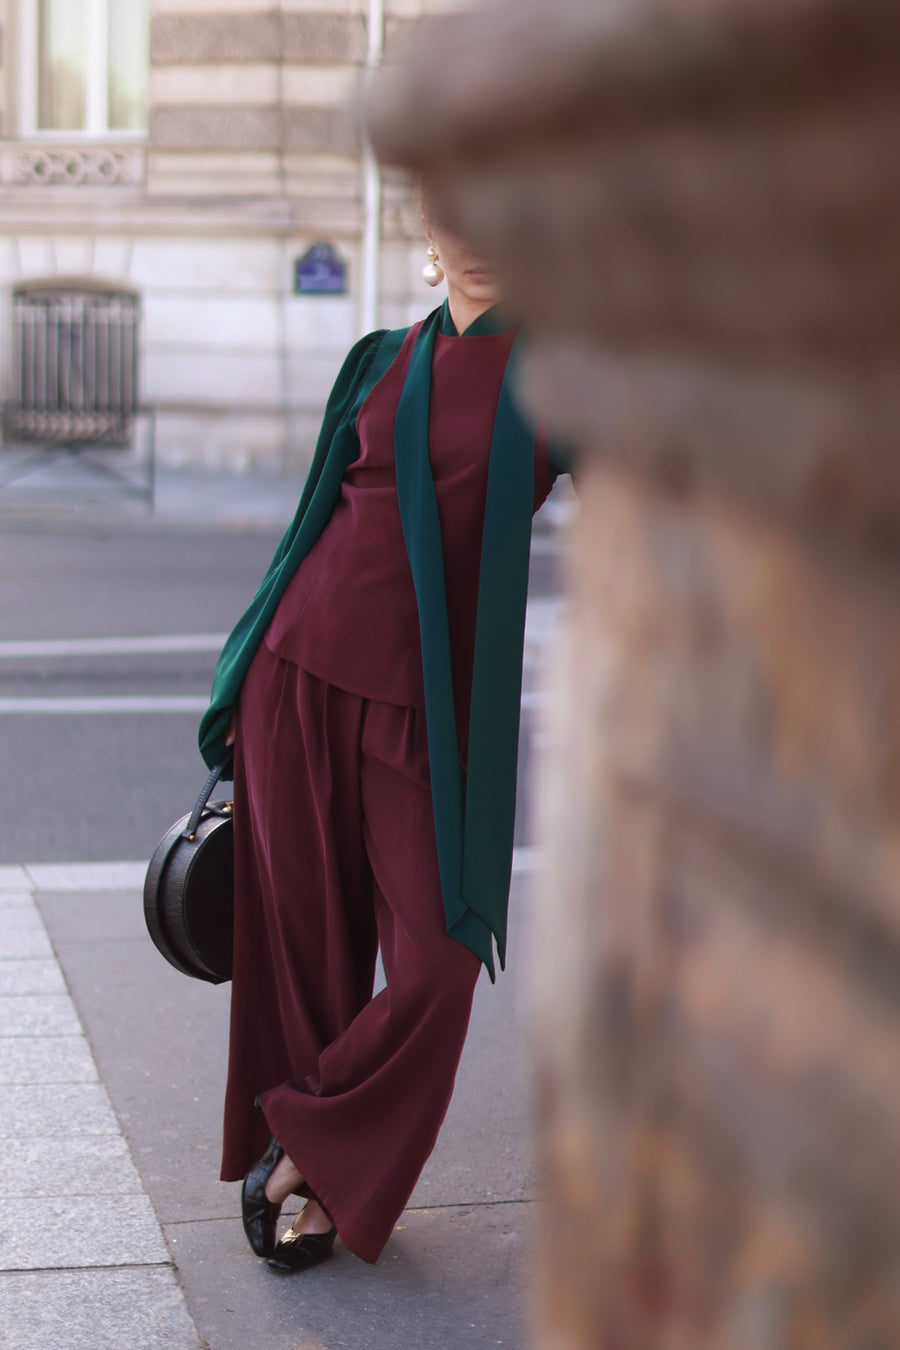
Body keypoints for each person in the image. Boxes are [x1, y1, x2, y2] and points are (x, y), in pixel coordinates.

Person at [198, 206, 568, 1274]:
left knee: (439, 963)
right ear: (423, 220)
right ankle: (304, 1174)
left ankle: (306, 1132)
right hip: (298, 672)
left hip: (427, 716)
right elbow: (309, 521)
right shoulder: (378, 358)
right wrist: (237, 678)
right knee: (305, 948)